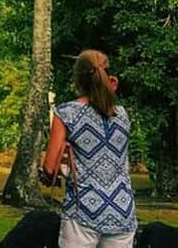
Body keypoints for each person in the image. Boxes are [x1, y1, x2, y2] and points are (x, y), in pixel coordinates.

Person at [40, 49, 137, 248]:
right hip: (122, 210)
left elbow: (49, 168)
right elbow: (106, 106)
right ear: (107, 77)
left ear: (78, 79)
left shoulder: (66, 113)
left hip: (83, 212)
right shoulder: (122, 115)